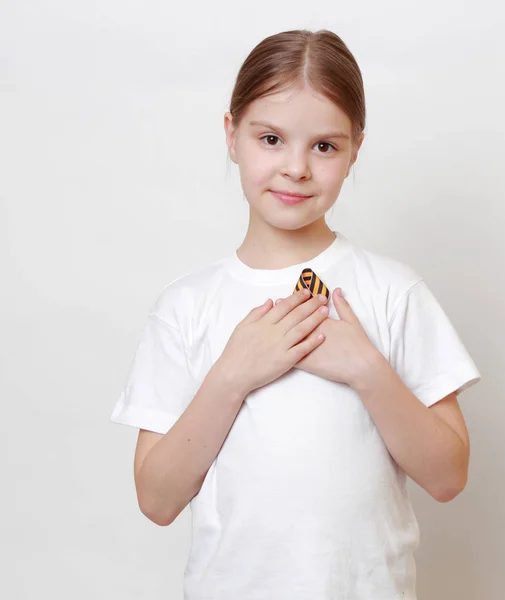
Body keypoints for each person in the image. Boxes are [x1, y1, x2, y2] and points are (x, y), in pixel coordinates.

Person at [110, 28, 482, 600]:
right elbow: (156, 501)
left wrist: (366, 368)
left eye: (324, 147)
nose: (296, 168)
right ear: (232, 135)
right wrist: (232, 376)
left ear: (356, 147)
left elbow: (448, 477)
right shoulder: (184, 308)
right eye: (271, 139)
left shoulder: (393, 292)